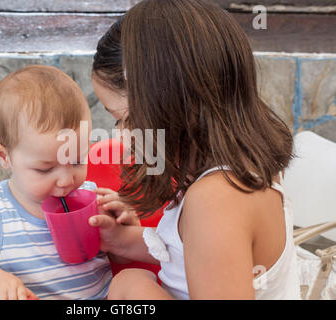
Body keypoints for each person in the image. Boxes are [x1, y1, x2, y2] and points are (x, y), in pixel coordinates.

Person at [90, 0, 301, 299]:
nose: (122, 135)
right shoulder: (232, 178)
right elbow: (200, 256)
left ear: (175, 104)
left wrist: (134, 292)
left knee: (132, 283)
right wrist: (122, 241)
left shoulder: (218, 200)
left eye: (125, 120)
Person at [0, 65, 134, 300]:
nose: (66, 180)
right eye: (46, 168)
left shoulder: (94, 199)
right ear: (4, 156)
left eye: (77, 160)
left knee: (136, 281)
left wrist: (125, 231)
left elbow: (122, 262)